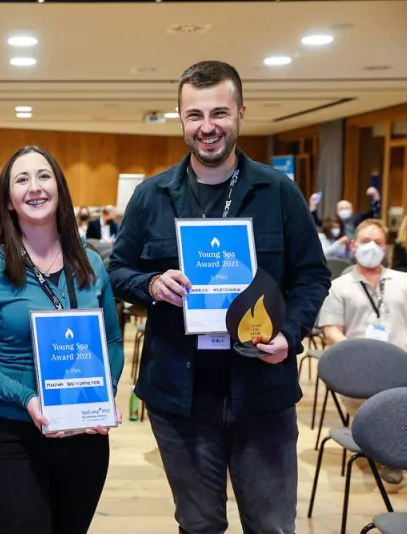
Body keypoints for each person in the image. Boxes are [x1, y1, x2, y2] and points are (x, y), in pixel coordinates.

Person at [107, 60, 330, 534]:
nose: (207, 127)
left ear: (241, 114)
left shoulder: (279, 192)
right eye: (195, 115)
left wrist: (290, 335)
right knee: (199, 524)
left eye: (219, 113)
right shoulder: (151, 196)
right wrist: (149, 285)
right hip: (180, 396)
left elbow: (312, 276)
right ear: (181, 119)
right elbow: (116, 271)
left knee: (272, 526)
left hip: (262, 391)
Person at [0, 145, 124, 534]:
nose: (34, 187)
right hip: (10, 437)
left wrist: (103, 394)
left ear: (59, 188)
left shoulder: (90, 263)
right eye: (21, 179)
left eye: (43, 176)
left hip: (83, 438)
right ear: (8, 201)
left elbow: (112, 341)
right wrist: (25, 397)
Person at [318, 218, 407, 484]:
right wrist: (362, 364)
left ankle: (402, 451)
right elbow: (332, 332)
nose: (372, 247)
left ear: (386, 248)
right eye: (366, 242)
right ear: (353, 245)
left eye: (378, 242)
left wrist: (405, 357)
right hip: (359, 371)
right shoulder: (338, 287)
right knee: (382, 400)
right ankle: (390, 455)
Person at [310, 188, 381, 239]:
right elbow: (316, 221)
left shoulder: (358, 218)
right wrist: (313, 205)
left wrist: (375, 197)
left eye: (347, 208)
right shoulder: (332, 222)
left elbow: (373, 213)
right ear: (337, 212)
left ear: (352, 210)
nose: (344, 210)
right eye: (341, 208)